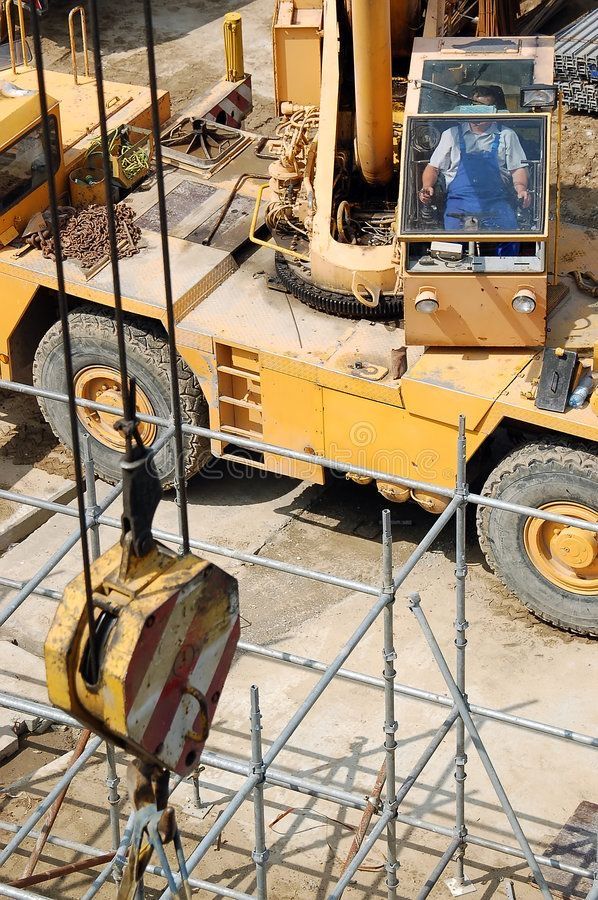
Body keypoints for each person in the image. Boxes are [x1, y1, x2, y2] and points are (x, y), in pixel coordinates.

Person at [418, 86, 531, 256]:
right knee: (449, 243)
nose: (477, 116)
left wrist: (521, 189)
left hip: (496, 202)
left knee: (510, 236)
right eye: (474, 108)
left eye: (484, 110)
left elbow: (517, 169)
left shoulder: (507, 135)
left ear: (494, 111)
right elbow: (433, 167)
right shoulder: (451, 134)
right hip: (459, 202)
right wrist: (427, 186)